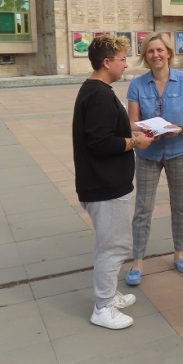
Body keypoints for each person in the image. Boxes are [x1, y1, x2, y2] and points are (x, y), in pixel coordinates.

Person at [72, 34, 154, 330]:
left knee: (109, 244)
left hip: (104, 182)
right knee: (114, 246)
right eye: (122, 59)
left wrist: (134, 132)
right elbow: (100, 143)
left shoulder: (97, 90)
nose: (126, 64)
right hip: (104, 185)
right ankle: (103, 307)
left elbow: (106, 132)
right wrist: (135, 142)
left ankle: (108, 294)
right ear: (107, 62)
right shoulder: (98, 95)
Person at [124, 32, 183, 286]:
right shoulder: (137, 84)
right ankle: (137, 262)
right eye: (150, 51)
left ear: (168, 52)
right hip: (148, 153)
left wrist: (181, 129)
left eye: (159, 50)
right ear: (145, 55)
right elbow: (132, 122)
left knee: (180, 205)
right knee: (143, 208)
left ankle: (180, 253)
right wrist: (145, 130)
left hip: (180, 149)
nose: (155, 55)